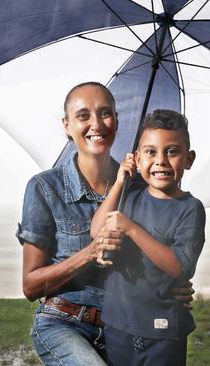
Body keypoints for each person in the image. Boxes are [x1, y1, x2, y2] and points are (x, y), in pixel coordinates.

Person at [16, 83, 195, 365]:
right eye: (83, 116)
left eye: (105, 113)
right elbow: (30, 286)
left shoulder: (141, 186)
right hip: (65, 323)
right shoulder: (44, 188)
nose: (96, 124)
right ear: (67, 125)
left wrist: (173, 286)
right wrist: (91, 251)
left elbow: (166, 254)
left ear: (117, 120)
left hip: (126, 328)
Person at [91, 109, 206, 365]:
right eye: (151, 152)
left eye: (172, 151)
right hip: (118, 324)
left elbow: (181, 266)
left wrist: (132, 229)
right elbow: (96, 230)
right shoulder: (128, 195)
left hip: (162, 330)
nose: (161, 161)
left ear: (189, 159)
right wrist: (120, 182)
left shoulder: (190, 209)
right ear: (138, 159)